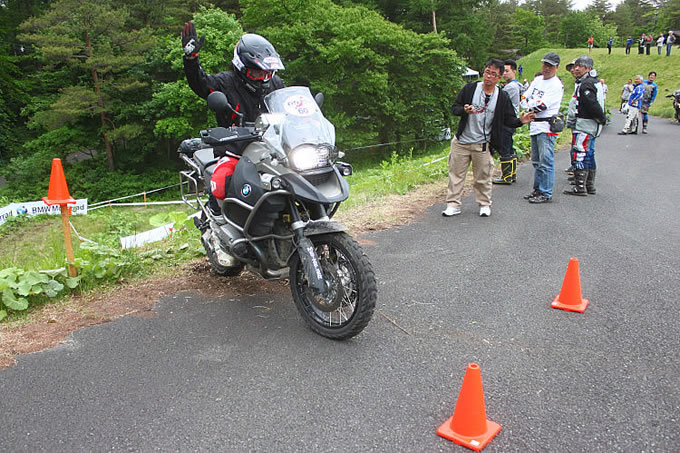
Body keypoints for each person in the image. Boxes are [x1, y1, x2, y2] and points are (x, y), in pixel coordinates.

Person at [181, 23, 285, 216]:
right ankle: (214, 218)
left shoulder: (276, 83)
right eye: (256, 72)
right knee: (222, 181)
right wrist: (191, 59)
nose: (262, 78)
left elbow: (287, 106)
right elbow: (200, 84)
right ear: (241, 67)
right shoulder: (225, 82)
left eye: (266, 73)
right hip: (235, 151)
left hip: (272, 150)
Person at [442, 59, 534, 217]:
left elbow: (508, 119)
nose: (488, 76)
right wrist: (464, 110)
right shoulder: (470, 88)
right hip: (462, 141)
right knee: (456, 175)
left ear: (499, 78)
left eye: (493, 74)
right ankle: (453, 204)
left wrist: (520, 121)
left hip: (483, 144)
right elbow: (455, 108)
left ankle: (484, 204)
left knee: (483, 177)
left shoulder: (502, 96)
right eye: (487, 72)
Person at [521, 52, 564, 204]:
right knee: (536, 160)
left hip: (546, 126)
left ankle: (545, 192)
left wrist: (531, 105)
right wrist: (529, 104)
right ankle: (537, 189)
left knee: (546, 160)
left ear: (556, 68)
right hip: (534, 125)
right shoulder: (538, 80)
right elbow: (525, 98)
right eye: (545, 64)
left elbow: (542, 105)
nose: (546, 68)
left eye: (550, 66)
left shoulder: (556, 85)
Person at [563, 56, 606, 196]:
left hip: (584, 124)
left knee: (579, 152)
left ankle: (580, 186)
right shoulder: (593, 82)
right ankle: (589, 185)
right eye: (575, 66)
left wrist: (600, 118)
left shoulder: (586, 84)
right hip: (590, 125)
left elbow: (592, 104)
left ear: (588, 68)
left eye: (580, 66)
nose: (576, 68)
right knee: (589, 154)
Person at [493, 59, 524, 185]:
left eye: (507, 71)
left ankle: (506, 176)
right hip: (512, 120)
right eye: (503, 71)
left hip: (507, 121)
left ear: (514, 71)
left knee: (505, 148)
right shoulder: (515, 86)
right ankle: (511, 174)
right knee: (509, 147)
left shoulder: (510, 87)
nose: (504, 74)